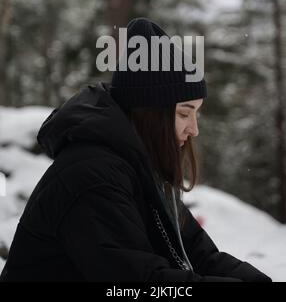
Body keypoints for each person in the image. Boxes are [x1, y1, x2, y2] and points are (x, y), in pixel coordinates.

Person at [0, 18, 272, 282]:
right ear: (151, 114)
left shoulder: (143, 171)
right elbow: (136, 284)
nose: (193, 130)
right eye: (183, 114)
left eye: (196, 114)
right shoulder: (91, 177)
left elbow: (200, 255)